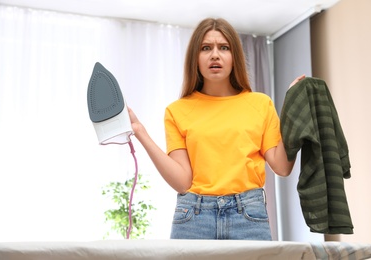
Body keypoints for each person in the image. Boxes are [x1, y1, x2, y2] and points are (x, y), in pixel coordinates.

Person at [128, 17, 304, 240]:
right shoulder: (177, 111)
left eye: (224, 47)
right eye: (205, 48)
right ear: (196, 58)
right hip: (193, 218)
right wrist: (140, 131)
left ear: (234, 57)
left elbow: (282, 166)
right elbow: (182, 182)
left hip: (248, 216)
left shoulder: (261, 104)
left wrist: (291, 110)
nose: (215, 55)